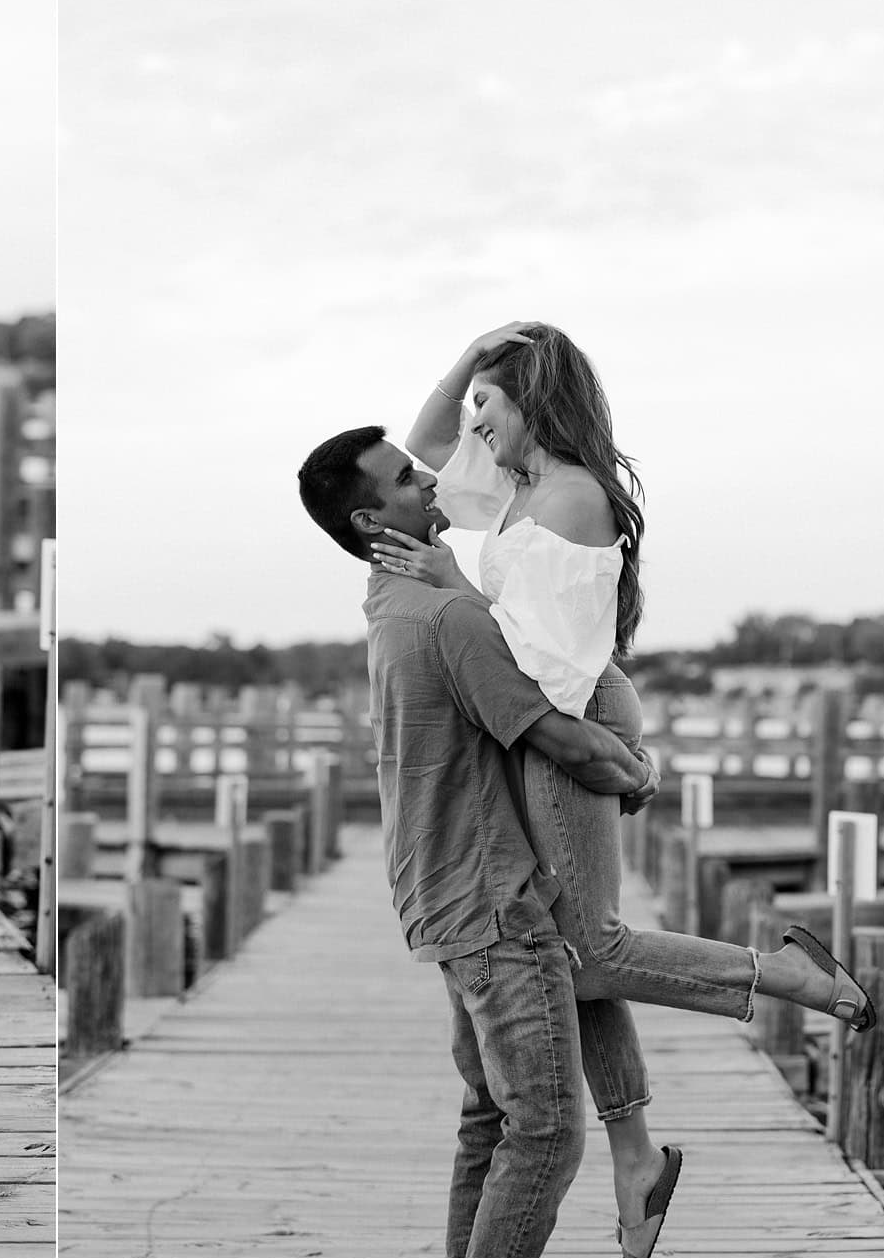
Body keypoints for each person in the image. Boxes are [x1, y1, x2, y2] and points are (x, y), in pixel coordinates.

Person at [370, 322, 878, 1256]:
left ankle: (790, 975)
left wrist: (454, 583)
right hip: (549, 717)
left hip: (574, 716)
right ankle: (636, 1152)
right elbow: (423, 448)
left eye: (489, 401)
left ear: (534, 402)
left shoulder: (572, 499)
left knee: (590, 948)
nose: (472, 421)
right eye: (475, 401)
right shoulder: (517, 484)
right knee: (569, 955)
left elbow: (548, 665)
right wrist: (469, 355)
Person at [298, 426, 657, 1257]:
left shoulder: (387, 603)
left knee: (491, 1118)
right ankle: (777, 978)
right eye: (403, 478)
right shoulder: (449, 613)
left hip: (435, 889)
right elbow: (558, 736)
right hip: (492, 898)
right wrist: (636, 771)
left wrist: (474, 354)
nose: (428, 480)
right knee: (546, 1130)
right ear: (367, 519)